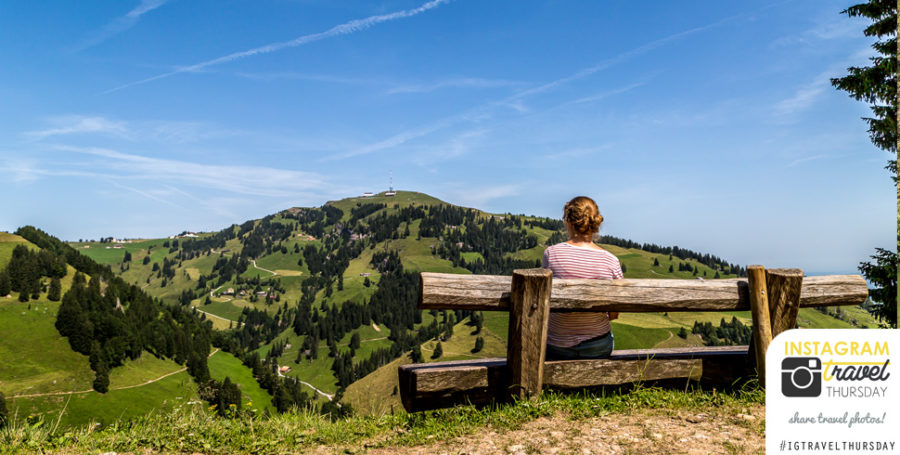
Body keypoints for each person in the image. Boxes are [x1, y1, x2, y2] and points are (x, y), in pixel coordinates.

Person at [542, 196, 623, 360]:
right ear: (596, 224)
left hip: (557, 344)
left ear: (569, 222)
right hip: (597, 346)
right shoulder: (611, 261)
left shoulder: (551, 253)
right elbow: (615, 313)